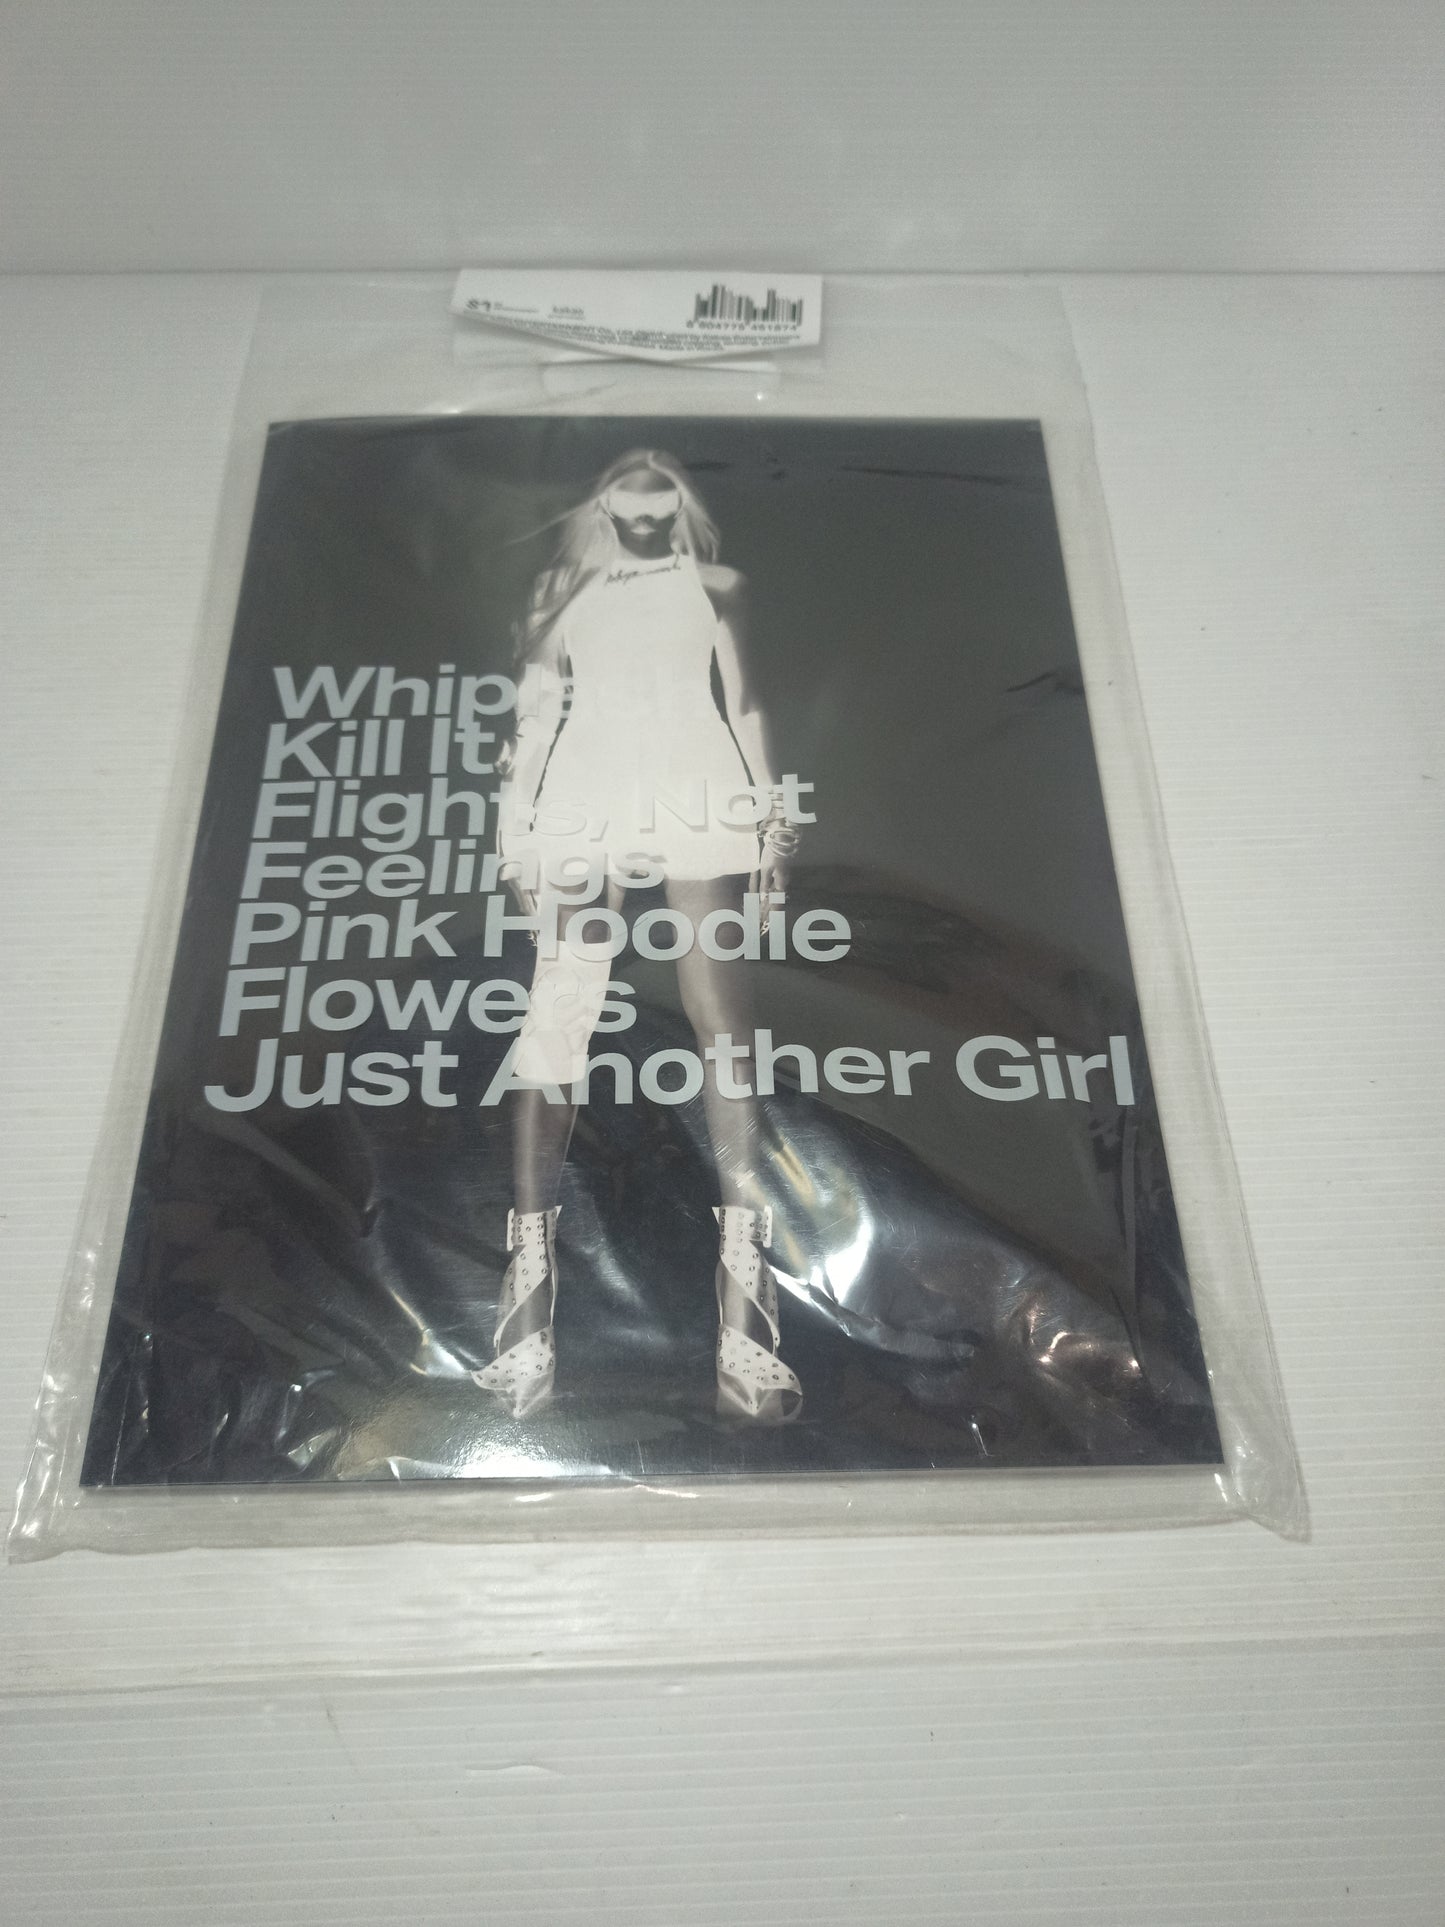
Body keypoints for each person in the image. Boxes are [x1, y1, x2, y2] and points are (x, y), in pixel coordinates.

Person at [473, 449, 805, 1425]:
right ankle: (524, 1302)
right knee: (558, 1021)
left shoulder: (719, 584)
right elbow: (535, 714)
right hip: (586, 792)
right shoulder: (561, 589)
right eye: (632, 499)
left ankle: (746, 1308)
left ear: (678, 506)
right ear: (607, 504)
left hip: (699, 787)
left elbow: (744, 702)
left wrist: (772, 826)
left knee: (723, 1029)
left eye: (663, 502)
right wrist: (514, 836)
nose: (647, 515)